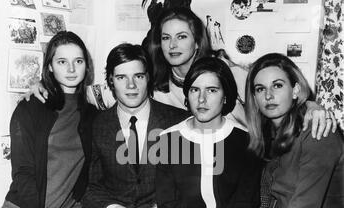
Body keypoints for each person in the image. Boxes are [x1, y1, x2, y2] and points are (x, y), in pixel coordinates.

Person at [25, 7, 335, 140]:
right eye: (166, 37)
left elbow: (274, 92)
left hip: (241, 163)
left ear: (197, 40)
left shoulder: (225, 72)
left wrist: (312, 107)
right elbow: (90, 91)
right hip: (189, 170)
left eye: (182, 36)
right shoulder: (153, 82)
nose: (173, 45)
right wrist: (43, 86)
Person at [58, 43, 188, 208]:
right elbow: (87, 186)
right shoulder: (95, 124)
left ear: (148, 78)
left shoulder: (177, 122)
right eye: (121, 77)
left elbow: (186, 185)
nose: (130, 86)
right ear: (110, 82)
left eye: (138, 76)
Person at [151, 57, 263, 208]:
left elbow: (245, 203)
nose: (201, 99)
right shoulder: (169, 140)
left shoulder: (246, 142)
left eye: (211, 90)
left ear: (225, 96)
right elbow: (166, 203)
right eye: (194, 90)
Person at [0, 31, 96, 208]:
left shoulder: (94, 113)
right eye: (62, 61)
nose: (72, 68)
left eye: (78, 61)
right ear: (50, 66)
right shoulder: (30, 107)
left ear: (87, 65)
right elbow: (23, 171)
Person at [244, 53, 344, 208]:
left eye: (278, 85)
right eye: (260, 89)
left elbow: (304, 207)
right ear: (254, 99)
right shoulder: (273, 139)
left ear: (296, 90)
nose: (268, 96)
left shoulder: (319, 132)